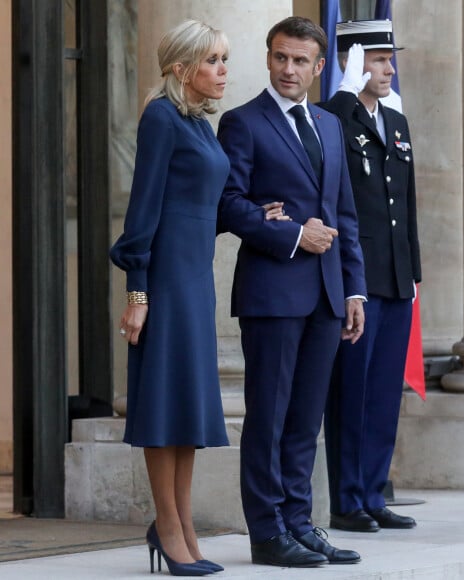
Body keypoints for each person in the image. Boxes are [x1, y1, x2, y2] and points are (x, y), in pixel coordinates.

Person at [217, 16, 367, 568]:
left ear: (318, 67)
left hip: (328, 296)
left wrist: (356, 290)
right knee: (269, 416)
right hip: (271, 295)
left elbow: (344, 214)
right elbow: (227, 203)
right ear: (269, 57)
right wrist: (290, 233)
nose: (288, 69)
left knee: (306, 419)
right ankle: (267, 532)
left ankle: (301, 523)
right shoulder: (242, 122)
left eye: (300, 60)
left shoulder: (329, 125)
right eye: (280, 57)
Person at [110, 19, 234, 577]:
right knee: (163, 405)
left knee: (185, 405)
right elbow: (144, 210)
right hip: (163, 281)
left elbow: (205, 205)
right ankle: (167, 526)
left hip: (194, 280)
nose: (223, 71)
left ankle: (183, 526)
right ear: (182, 69)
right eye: (212, 61)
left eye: (224, 60)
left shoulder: (201, 126)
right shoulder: (161, 118)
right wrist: (138, 290)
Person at [320, 19, 422, 533]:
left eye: (388, 59)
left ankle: (374, 490)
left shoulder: (395, 122)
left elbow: (406, 203)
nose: (388, 69)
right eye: (377, 59)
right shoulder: (336, 116)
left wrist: (415, 272)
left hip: (396, 278)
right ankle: (346, 498)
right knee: (351, 390)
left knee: (383, 391)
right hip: (355, 278)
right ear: (350, 62)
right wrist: (343, 93)